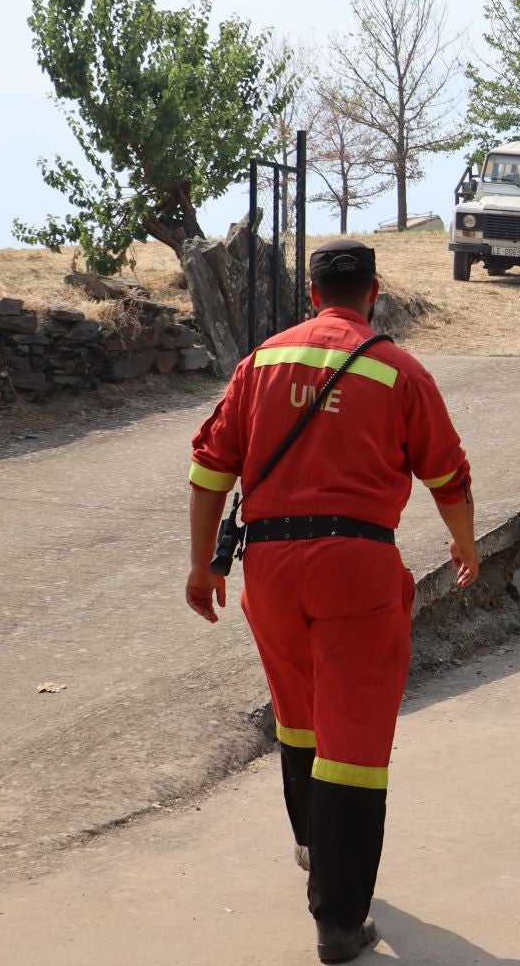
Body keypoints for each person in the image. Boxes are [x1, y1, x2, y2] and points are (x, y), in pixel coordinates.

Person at [184, 237, 480, 963]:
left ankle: (315, 848)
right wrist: (464, 544)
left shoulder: (263, 363)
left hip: (272, 571)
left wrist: (201, 567)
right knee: (353, 744)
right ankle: (340, 924)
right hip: (357, 569)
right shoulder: (399, 371)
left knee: (300, 716)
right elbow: (449, 476)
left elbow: (209, 467)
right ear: (372, 293)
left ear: (312, 293)